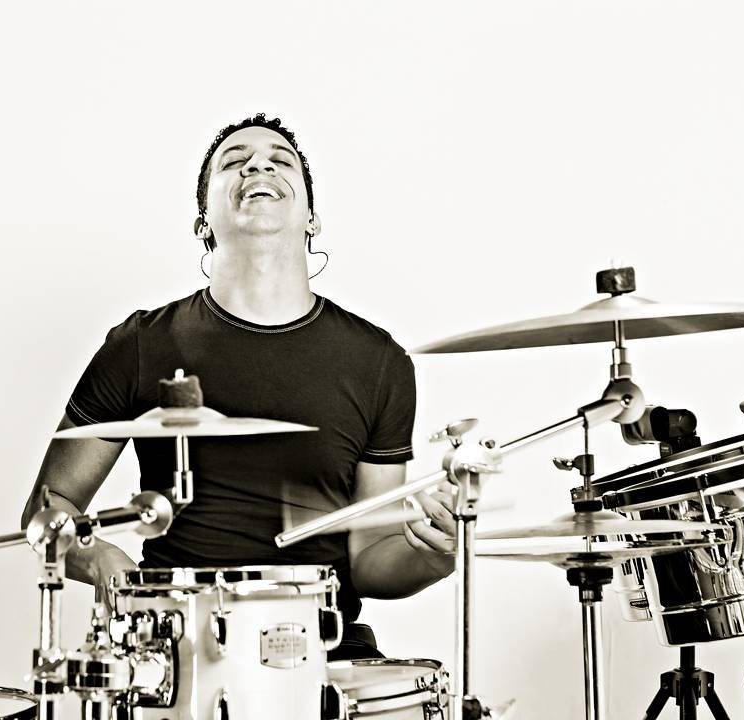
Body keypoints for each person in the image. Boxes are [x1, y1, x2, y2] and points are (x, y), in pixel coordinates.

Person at [22, 114, 456, 660]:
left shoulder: (379, 361)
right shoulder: (140, 345)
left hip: (321, 650)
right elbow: (48, 511)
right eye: (235, 161)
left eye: (280, 160)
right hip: (182, 650)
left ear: (312, 218)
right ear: (203, 221)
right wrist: (101, 560)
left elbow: (368, 556)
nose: (258, 166)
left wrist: (435, 555)